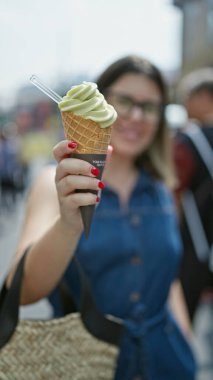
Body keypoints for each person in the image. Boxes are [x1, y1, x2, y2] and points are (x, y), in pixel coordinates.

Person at [7, 55, 196, 379]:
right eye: (124, 101)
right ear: (100, 101)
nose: (136, 116)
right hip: (87, 365)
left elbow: (170, 280)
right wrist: (69, 223)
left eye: (149, 106)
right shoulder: (55, 184)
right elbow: (21, 291)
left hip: (168, 362)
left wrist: (188, 343)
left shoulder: (162, 189)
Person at [173, 68, 213, 322]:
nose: (185, 105)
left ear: (204, 97)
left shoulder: (186, 142)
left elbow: (173, 193)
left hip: (195, 250)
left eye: (188, 97)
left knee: (183, 324)